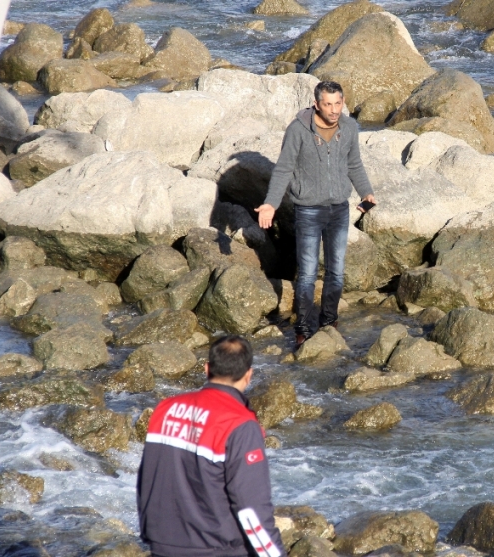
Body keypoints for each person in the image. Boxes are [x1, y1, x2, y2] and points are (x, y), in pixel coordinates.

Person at [137, 335, 283, 557]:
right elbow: (251, 507)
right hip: (216, 548)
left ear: (207, 369)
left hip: (162, 544)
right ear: (248, 375)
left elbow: (147, 478)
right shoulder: (240, 424)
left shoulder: (165, 409)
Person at [255, 81, 376, 348]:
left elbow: (354, 163)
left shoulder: (349, 128)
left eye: (338, 103)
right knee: (308, 273)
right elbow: (284, 169)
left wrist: (366, 192)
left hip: (339, 209)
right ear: (316, 104)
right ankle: (303, 328)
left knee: (336, 271)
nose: (334, 110)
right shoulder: (298, 129)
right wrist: (270, 204)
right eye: (328, 104)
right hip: (308, 210)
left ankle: (330, 321)